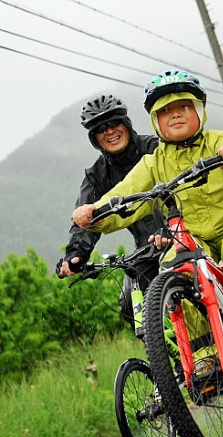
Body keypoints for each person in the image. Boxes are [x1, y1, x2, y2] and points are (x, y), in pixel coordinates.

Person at [71, 69, 223, 364]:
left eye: (184, 107)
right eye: (165, 112)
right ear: (155, 121)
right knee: (174, 273)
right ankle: (205, 354)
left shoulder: (216, 141)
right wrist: (94, 214)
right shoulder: (154, 162)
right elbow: (127, 194)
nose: (175, 116)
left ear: (200, 110)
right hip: (190, 235)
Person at [56, 94, 160, 338]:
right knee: (129, 307)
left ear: (126, 123)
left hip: (182, 234)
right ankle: (173, 363)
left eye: (114, 123)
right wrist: (75, 255)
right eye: (100, 129)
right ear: (94, 139)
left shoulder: (155, 148)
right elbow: (85, 217)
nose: (109, 131)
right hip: (146, 250)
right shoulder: (97, 174)